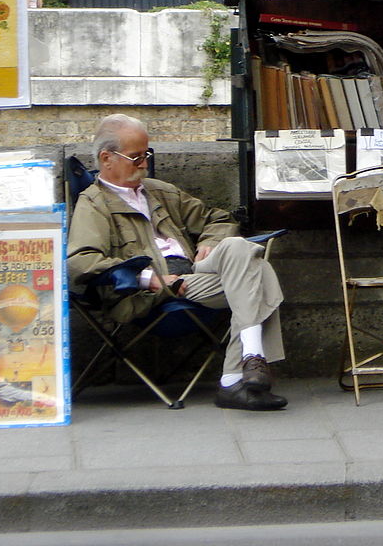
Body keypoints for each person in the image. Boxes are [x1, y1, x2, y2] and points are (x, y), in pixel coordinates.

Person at [67, 114, 287, 411]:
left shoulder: (160, 191)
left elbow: (219, 219)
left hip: (197, 273)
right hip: (156, 290)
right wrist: (149, 278)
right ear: (107, 158)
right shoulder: (93, 204)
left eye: (147, 155)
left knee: (237, 247)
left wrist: (209, 242)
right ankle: (236, 378)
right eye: (136, 158)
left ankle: (250, 360)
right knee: (259, 271)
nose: (144, 164)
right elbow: (81, 261)